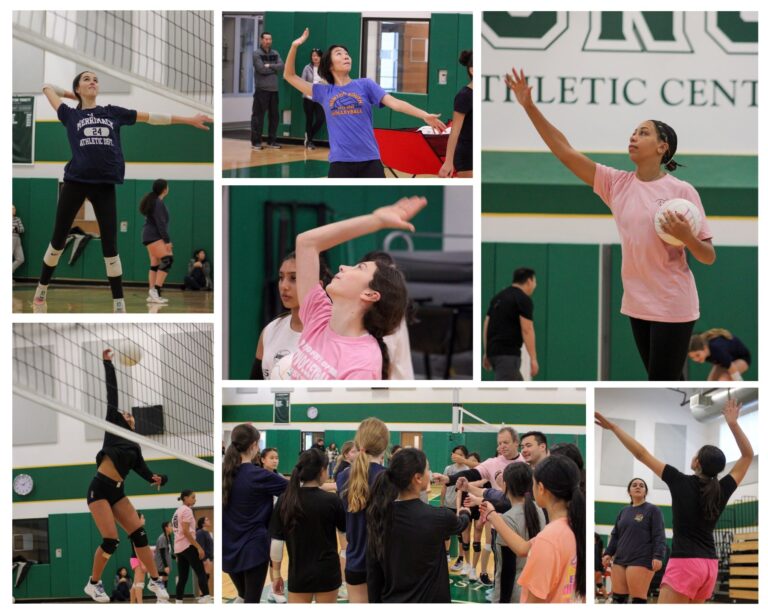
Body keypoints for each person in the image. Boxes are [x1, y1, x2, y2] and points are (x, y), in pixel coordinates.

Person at [507, 68, 716, 380]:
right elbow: (564, 152)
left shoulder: (682, 191)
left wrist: (687, 236)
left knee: (661, 382)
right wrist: (529, 106)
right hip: (636, 303)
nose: (634, 136)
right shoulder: (617, 183)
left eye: (644, 132)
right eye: (633, 131)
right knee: (665, 380)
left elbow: (708, 256)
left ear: (662, 147)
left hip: (673, 303)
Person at [35, 71, 211, 313]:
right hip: (76, 181)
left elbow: (152, 118)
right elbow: (47, 86)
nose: (93, 81)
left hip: (105, 184)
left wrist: (188, 120)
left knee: (111, 246)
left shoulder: (112, 112)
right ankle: (42, 288)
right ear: (77, 87)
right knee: (56, 242)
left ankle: (119, 302)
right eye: (86, 79)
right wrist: (71, 94)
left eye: (95, 79)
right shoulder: (70, 114)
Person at [595, 398, 753, 604]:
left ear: (696, 462)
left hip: (685, 563)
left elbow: (641, 454)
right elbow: (748, 456)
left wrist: (614, 427)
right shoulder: (722, 488)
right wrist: (733, 424)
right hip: (709, 567)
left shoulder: (679, 481)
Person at [291, 197, 425, 379]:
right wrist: (377, 221)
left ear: (370, 294)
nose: (343, 267)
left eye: (360, 267)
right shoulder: (318, 315)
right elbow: (306, 242)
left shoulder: (362, 364)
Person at [284, 28, 446, 178]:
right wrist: (294, 46)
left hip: (370, 160)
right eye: (339, 54)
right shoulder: (324, 91)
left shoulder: (365, 85)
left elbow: (395, 103)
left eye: (347, 53)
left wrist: (424, 115)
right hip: (340, 162)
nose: (346, 56)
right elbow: (289, 76)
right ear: (330, 64)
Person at [84, 349, 169, 603]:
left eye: (131, 415)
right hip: (99, 489)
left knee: (139, 533)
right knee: (111, 540)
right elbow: (113, 393)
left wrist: (160, 479)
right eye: (126, 414)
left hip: (118, 492)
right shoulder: (113, 424)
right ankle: (94, 583)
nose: (129, 415)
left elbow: (147, 474)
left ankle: (155, 581)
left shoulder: (135, 447)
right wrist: (108, 364)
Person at [367, 448, 472, 602]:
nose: (429, 473)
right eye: (427, 469)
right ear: (417, 478)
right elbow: (461, 523)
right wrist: (465, 512)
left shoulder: (379, 516)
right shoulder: (439, 517)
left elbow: (373, 572)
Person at [481, 454, 586, 603]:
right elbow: (523, 548)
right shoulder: (571, 527)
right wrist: (493, 516)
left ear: (541, 488)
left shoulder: (549, 539)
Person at [269, 448, 346, 602]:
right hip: (327, 572)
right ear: (321, 471)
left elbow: (277, 543)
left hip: (299, 573)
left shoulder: (285, 500)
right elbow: (345, 540)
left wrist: (276, 575)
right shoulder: (332, 501)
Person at [223, 424, 288, 603]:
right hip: (254, 549)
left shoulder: (223, 473)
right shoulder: (258, 475)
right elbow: (295, 491)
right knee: (251, 601)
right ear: (253, 446)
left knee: (243, 597)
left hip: (227, 549)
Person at [336, 417, 390, 602]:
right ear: (384, 446)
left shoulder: (343, 477)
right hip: (384, 563)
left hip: (355, 561)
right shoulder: (388, 479)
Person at [602, 478, 666, 604]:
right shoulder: (623, 511)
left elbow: (659, 535)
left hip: (641, 559)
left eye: (641, 485)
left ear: (645, 492)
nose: (638, 487)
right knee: (618, 600)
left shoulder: (653, 510)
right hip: (620, 559)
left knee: (638, 600)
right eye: (634, 485)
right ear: (629, 491)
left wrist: (658, 555)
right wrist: (608, 553)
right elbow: (615, 535)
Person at [491, 463, 546, 603]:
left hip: (513, 592)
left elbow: (507, 570)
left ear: (505, 485)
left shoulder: (507, 519)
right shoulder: (539, 510)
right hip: (534, 586)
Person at [483, 267, 538, 381]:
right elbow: (527, 329)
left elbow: (487, 325)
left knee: (518, 387)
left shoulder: (498, 297)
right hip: (507, 355)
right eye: (535, 281)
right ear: (529, 281)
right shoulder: (523, 299)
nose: (535, 285)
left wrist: (487, 352)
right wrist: (533, 359)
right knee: (507, 393)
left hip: (495, 353)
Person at [172, 490, 212, 603]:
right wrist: (198, 547)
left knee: (183, 577)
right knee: (201, 572)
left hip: (179, 548)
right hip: (188, 545)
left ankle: (178, 601)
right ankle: (206, 596)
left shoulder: (177, 511)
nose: (195, 499)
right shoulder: (187, 510)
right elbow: (185, 531)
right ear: (185, 498)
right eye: (193, 497)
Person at [439, 50, 473, 178]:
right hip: (467, 155)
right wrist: (448, 162)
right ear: (472, 70)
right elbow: (455, 131)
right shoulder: (464, 96)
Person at [139, 179, 172, 304]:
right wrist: (167, 241)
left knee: (155, 264)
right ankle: (155, 291)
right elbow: (160, 224)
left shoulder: (156, 201)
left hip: (149, 235)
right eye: (167, 186)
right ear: (164, 189)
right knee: (168, 260)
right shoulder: (158, 202)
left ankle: (152, 293)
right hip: (154, 236)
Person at [252, 32, 283, 150]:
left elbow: (282, 66)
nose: (268, 41)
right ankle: (256, 142)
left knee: (274, 117)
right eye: (265, 39)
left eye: (269, 39)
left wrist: (269, 65)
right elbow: (260, 69)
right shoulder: (256, 54)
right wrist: (274, 68)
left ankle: (272, 141)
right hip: (262, 90)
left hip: (274, 90)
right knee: (258, 117)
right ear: (261, 40)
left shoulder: (275, 53)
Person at [442, 445, 470, 570]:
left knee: (460, 534)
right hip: (448, 504)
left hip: (460, 505)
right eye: (455, 453)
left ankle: (461, 558)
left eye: (460, 454)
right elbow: (444, 486)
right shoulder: (448, 468)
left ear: (465, 456)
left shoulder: (468, 469)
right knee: (445, 532)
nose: (457, 456)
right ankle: (446, 554)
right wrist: (442, 502)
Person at [300, 48, 326, 150]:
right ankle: (309, 141)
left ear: (321, 57)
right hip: (308, 97)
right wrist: (307, 91)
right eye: (313, 56)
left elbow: (328, 81)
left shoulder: (324, 68)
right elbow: (302, 81)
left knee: (320, 119)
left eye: (317, 56)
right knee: (309, 119)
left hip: (319, 98)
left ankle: (309, 136)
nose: (315, 57)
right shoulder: (307, 68)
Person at [129, 512, 149, 603]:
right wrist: (142, 563)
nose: (144, 519)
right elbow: (137, 549)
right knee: (139, 584)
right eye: (143, 517)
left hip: (134, 559)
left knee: (135, 584)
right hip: (137, 559)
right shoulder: (139, 531)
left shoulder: (137, 530)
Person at [196, 516, 214, 597]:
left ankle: (204, 594)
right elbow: (201, 547)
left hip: (210, 558)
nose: (209, 520)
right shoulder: (200, 532)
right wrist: (204, 559)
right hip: (205, 559)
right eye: (207, 520)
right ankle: (202, 595)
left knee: (207, 576)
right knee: (203, 577)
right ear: (203, 523)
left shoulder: (208, 533)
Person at [154, 521, 173, 589]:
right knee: (160, 578)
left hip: (166, 561)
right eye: (170, 526)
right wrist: (166, 566)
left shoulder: (168, 536)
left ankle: (163, 595)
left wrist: (174, 557)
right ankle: (160, 597)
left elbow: (168, 550)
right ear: (166, 528)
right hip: (161, 563)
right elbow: (162, 553)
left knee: (165, 578)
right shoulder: (162, 538)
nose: (172, 528)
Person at [12, 205, 25, 277]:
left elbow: (22, 229)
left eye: (14, 209)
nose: (14, 210)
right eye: (13, 209)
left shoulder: (17, 219)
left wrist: (17, 229)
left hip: (17, 238)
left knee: (20, 259)